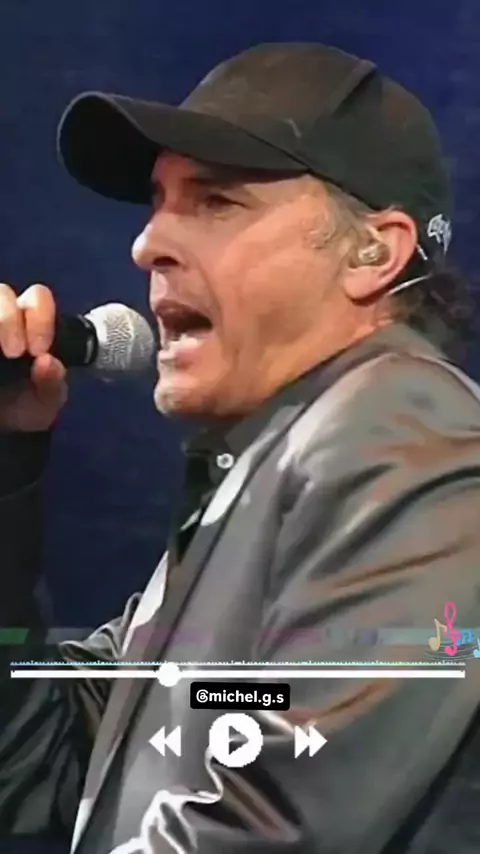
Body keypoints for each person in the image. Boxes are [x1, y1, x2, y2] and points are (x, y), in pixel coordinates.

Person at [1, 41, 480, 854]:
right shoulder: (275, 474)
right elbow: (45, 772)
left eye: (216, 201)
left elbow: (273, 827)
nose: (146, 244)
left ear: (375, 250)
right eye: (158, 202)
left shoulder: (408, 434)